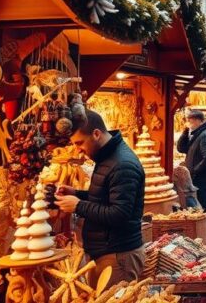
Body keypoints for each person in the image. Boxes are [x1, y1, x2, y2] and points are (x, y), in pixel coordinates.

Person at [55, 110, 144, 285]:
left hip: (118, 255)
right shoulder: (107, 158)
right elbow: (106, 199)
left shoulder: (122, 164)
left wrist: (78, 206)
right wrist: (77, 194)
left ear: (96, 134)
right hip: (107, 252)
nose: (78, 150)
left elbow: (119, 213)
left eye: (79, 143)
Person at [176, 109, 206, 244]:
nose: (189, 124)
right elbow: (181, 148)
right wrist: (185, 133)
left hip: (202, 179)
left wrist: (195, 171)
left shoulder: (205, 136)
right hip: (205, 177)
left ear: (198, 120)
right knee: (205, 207)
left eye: (190, 121)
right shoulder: (200, 134)